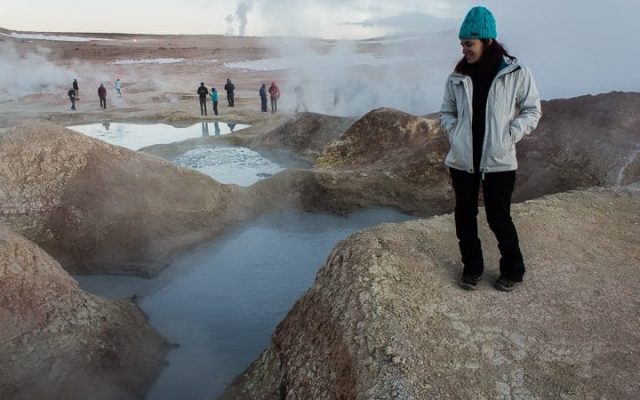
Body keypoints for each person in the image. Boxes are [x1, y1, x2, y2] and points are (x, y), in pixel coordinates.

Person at [439, 6, 541, 292]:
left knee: (499, 217)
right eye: (462, 44)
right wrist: (454, 130)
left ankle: (513, 269)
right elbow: (446, 111)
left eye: (469, 44)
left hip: (499, 159)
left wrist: (512, 133)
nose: (464, 50)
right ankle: (472, 268)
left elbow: (533, 109)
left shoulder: (516, 72)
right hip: (462, 160)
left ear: (487, 41)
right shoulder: (457, 77)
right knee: (464, 216)